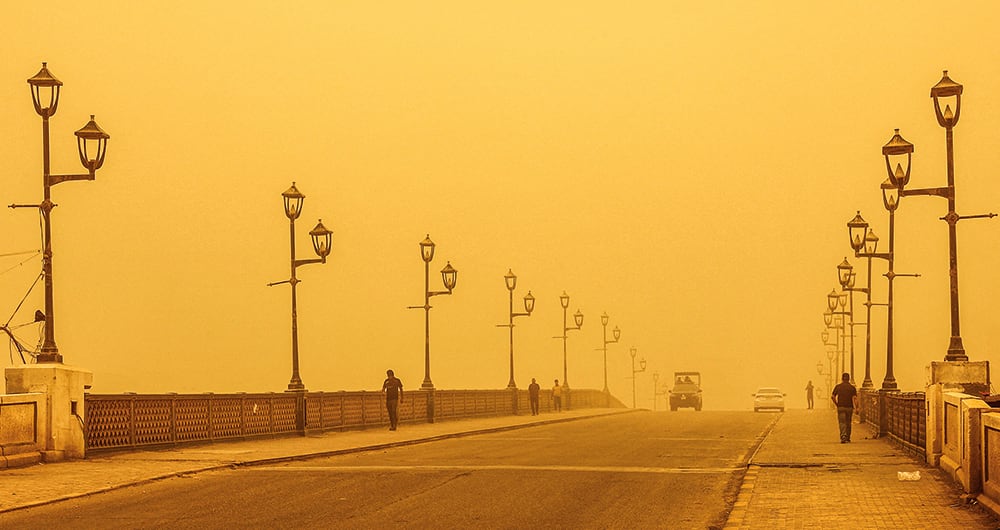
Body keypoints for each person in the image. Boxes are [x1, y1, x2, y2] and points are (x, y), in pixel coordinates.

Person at [831, 373, 858, 443]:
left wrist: (837, 404)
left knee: (842, 422)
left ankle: (843, 436)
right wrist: (857, 408)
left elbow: (833, 397)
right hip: (849, 407)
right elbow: (855, 398)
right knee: (848, 422)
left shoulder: (838, 387)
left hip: (841, 407)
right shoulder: (852, 388)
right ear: (849, 379)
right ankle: (848, 437)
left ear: (842, 378)